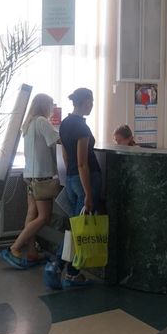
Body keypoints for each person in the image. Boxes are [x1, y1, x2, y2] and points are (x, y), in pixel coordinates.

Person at [0, 93, 60, 270]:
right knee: (44, 217)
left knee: (32, 214)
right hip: (42, 176)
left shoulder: (29, 123)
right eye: (51, 105)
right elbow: (58, 141)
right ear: (45, 106)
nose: (52, 109)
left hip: (30, 176)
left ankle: (32, 252)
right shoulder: (42, 121)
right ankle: (15, 248)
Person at [58, 87, 101, 286]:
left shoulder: (65, 123)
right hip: (86, 179)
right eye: (91, 102)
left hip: (71, 178)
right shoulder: (81, 128)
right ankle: (66, 270)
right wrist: (88, 194)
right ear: (86, 102)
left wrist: (71, 177)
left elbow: (66, 156)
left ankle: (63, 268)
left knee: (75, 226)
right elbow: (83, 163)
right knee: (79, 229)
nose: (92, 106)